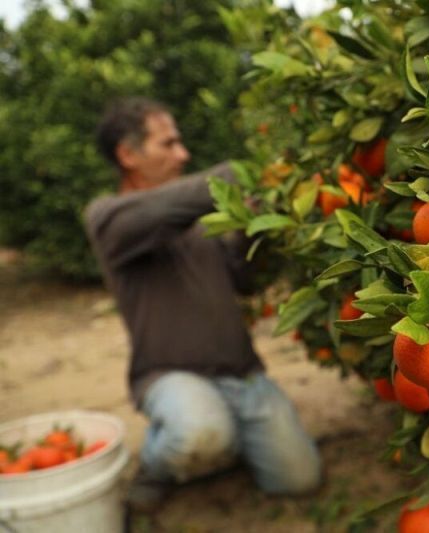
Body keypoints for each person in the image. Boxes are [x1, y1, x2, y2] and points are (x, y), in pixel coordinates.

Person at [85, 97, 322, 511]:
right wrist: (246, 176)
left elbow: (243, 282)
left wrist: (255, 227)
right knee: (198, 433)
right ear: (127, 154)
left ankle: (227, 443)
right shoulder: (109, 218)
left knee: (299, 478)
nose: (183, 154)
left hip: (242, 375)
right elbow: (167, 207)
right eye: (168, 144)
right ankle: (156, 467)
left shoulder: (200, 221)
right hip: (168, 376)